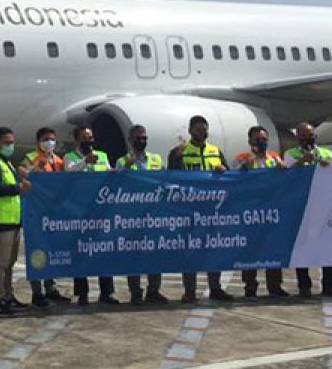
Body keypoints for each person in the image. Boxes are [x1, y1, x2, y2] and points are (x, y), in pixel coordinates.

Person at [168, 115, 233, 303]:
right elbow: (172, 178)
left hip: (212, 209)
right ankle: (190, 291)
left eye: (204, 129)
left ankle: (215, 287)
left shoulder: (215, 151)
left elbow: (228, 176)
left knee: (214, 248)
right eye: (198, 129)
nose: (202, 132)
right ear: (190, 131)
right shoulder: (179, 152)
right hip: (189, 210)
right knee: (190, 250)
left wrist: (223, 169)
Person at [283, 121, 332, 298]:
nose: (307, 139)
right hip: (302, 206)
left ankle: (329, 285)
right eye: (303, 135)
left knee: (327, 247)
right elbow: (285, 174)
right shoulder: (290, 154)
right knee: (303, 248)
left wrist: (328, 165)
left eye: (310, 135)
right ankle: (304, 286)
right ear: (297, 137)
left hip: (323, 205)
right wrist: (302, 161)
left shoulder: (326, 153)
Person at [65, 125, 119, 305]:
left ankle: (107, 292)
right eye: (85, 138)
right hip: (79, 213)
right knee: (80, 252)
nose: (89, 141)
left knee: (103, 250)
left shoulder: (102, 156)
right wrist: (85, 161)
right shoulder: (69, 158)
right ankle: (82, 293)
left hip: (100, 211)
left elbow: (109, 174)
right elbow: (69, 173)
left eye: (91, 138)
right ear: (77, 140)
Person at [0, 126, 30, 318]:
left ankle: (8, 296)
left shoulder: (6, 163)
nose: (10, 146)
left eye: (12, 142)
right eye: (7, 143)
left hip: (11, 221)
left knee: (9, 263)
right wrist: (17, 188)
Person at [234, 126, 288, 299]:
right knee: (250, 250)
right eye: (258, 139)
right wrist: (245, 167)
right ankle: (250, 287)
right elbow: (234, 176)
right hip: (251, 211)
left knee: (273, 248)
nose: (261, 142)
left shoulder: (274, 157)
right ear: (250, 141)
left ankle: (275, 286)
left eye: (264, 139)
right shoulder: (243, 157)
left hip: (271, 210)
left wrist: (283, 169)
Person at [116, 124, 168, 305]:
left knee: (155, 254)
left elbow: (164, 180)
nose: (142, 141)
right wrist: (127, 167)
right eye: (138, 138)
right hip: (133, 217)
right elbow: (117, 183)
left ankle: (153, 291)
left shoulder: (156, 159)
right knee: (134, 256)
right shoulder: (123, 161)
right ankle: (135, 293)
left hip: (154, 215)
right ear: (130, 140)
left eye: (144, 138)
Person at [20, 127, 71, 306]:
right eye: (46, 139)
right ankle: (37, 292)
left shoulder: (58, 160)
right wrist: (37, 168)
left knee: (52, 250)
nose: (50, 143)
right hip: (36, 212)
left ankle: (51, 288)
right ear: (38, 142)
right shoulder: (31, 158)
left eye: (52, 139)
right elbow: (23, 175)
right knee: (37, 250)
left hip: (54, 213)